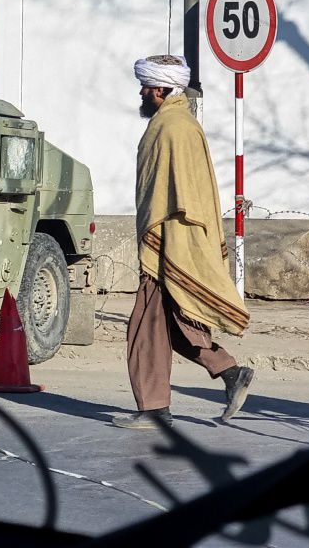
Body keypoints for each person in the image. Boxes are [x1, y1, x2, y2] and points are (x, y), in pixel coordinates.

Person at [113, 55, 255, 429]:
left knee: (146, 328)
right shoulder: (178, 122)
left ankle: (155, 410)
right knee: (172, 324)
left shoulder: (172, 127)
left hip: (170, 243)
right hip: (171, 242)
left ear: (160, 89)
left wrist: (167, 246)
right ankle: (228, 371)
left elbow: (176, 197)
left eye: (147, 86)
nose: (142, 92)